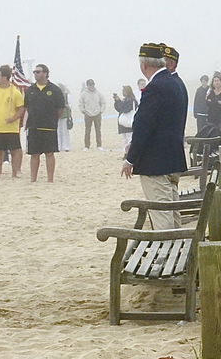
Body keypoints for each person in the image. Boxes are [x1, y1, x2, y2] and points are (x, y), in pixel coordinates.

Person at [122, 43, 189, 229]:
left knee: (162, 218)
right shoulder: (176, 83)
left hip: (156, 163)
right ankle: (177, 252)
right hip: (173, 158)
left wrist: (131, 158)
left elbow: (144, 126)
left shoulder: (155, 86)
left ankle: (167, 256)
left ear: (144, 64)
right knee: (173, 214)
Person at [21, 63, 64, 182]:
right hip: (34, 126)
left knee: (49, 153)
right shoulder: (30, 90)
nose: (35, 74)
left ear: (45, 73)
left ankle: (50, 179)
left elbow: (60, 108)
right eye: (34, 72)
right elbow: (27, 107)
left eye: (38, 72)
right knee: (34, 154)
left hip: (49, 127)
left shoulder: (54, 90)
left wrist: (52, 119)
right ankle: (33, 179)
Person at [0, 67, 26, 179]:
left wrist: (13, 119)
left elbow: (21, 109)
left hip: (11, 128)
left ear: (4, 77)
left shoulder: (15, 92)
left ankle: (14, 173)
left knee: (14, 152)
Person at [79, 79, 107, 150]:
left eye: (92, 85)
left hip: (97, 114)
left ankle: (99, 145)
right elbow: (81, 103)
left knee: (98, 130)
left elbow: (103, 102)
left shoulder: (98, 93)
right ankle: (86, 146)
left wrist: (101, 111)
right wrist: (83, 111)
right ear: (87, 85)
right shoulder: (84, 94)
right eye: (90, 85)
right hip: (87, 114)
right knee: (87, 130)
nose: (91, 86)